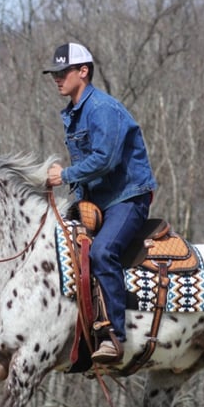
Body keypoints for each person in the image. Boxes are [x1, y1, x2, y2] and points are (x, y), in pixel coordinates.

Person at [43, 42, 158, 363]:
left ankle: (114, 336)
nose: (57, 78)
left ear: (84, 71)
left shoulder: (102, 109)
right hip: (99, 201)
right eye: (54, 73)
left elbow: (105, 160)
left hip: (127, 198)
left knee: (102, 251)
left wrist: (64, 176)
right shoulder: (75, 112)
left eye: (63, 72)